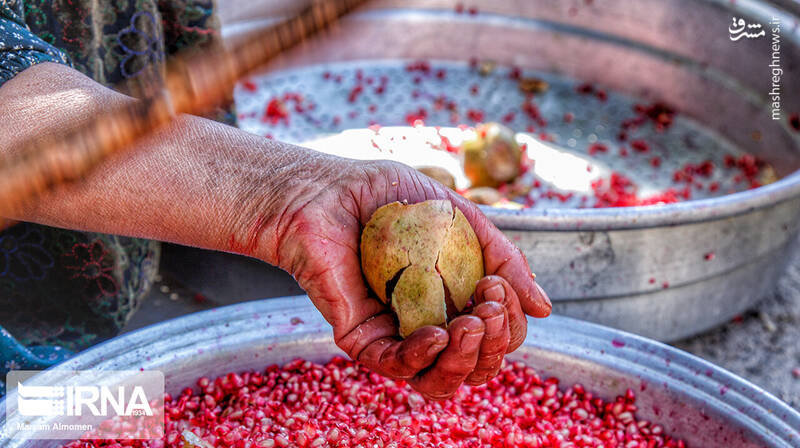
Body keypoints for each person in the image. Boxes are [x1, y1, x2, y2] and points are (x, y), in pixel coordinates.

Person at [0, 0, 551, 400]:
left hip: (124, 292)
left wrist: (291, 197)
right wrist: (281, 193)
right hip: (21, 342)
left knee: (165, 431)